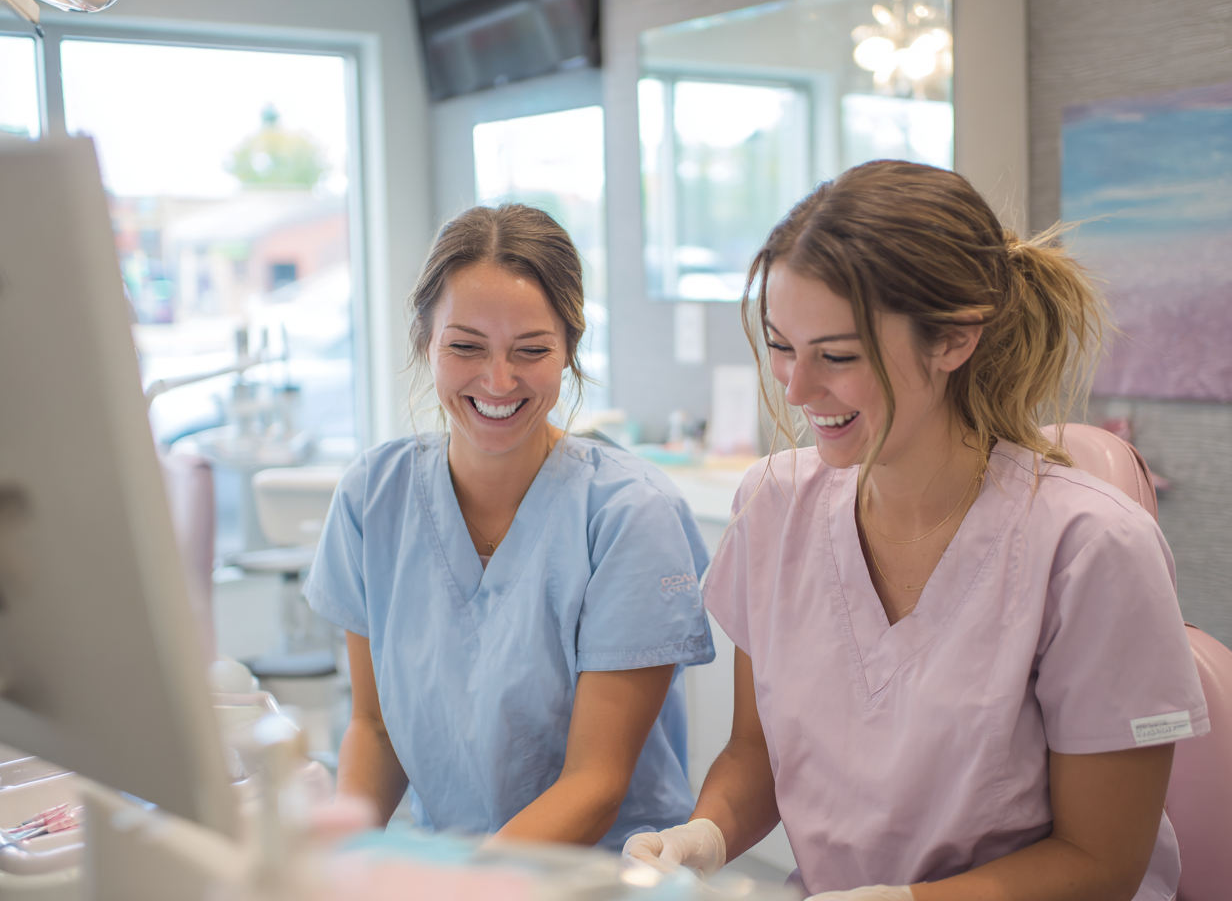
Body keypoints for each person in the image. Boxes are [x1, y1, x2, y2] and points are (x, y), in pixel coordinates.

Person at [624, 160, 1208, 900]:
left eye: (837, 356)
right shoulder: (772, 506)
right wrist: (701, 836)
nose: (798, 389)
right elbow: (757, 753)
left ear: (954, 341)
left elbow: (1102, 863)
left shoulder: (1090, 548)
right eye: (781, 345)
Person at [305, 203, 714, 849]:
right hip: (456, 872)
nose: (499, 381)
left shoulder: (628, 516)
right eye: (466, 347)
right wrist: (343, 857)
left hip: (598, 882)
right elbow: (376, 728)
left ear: (569, 351)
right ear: (424, 342)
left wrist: (462, 890)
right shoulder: (373, 498)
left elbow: (596, 784)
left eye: (531, 351)